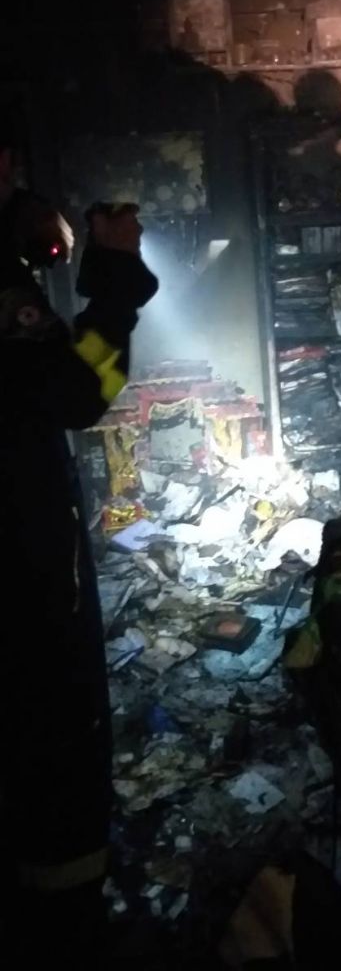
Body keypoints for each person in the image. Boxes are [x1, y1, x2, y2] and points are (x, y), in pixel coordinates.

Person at [0, 140, 158, 962]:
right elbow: (77, 390)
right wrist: (117, 279)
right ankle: (65, 931)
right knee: (52, 735)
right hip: (22, 567)